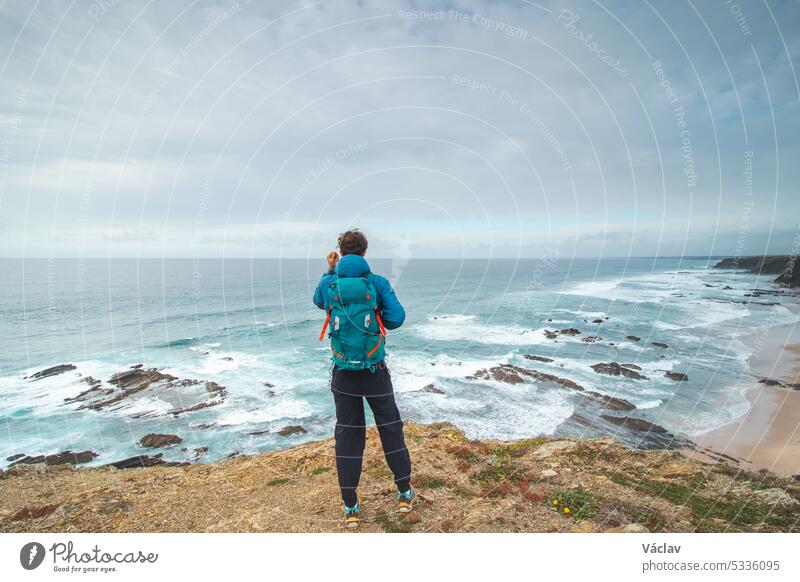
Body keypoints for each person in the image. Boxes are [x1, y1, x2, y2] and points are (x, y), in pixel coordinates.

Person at [313, 228, 415, 528]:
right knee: (390, 428)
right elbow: (397, 319)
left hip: (343, 373)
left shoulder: (331, 283)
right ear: (365, 252)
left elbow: (319, 301)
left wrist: (329, 270)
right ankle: (404, 493)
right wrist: (377, 315)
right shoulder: (377, 283)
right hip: (375, 372)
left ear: (340, 252)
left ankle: (350, 506)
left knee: (348, 434)